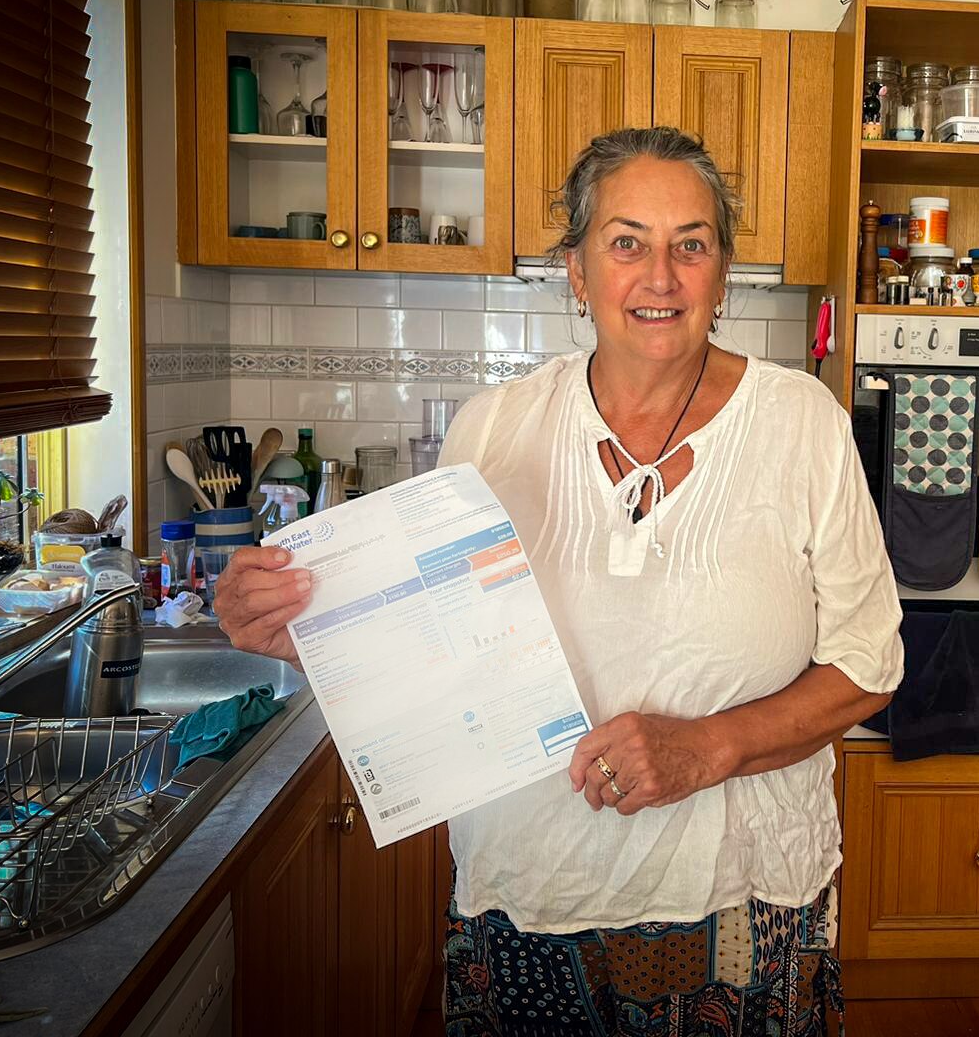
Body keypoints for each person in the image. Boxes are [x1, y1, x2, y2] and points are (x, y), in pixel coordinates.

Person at [215, 126, 903, 1035]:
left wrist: (707, 747)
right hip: (528, 899)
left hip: (740, 907)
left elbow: (868, 664)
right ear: (577, 271)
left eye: (690, 244)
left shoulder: (802, 423)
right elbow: (435, 661)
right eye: (626, 243)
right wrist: (305, 635)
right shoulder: (494, 430)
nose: (660, 276)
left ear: (721, 272)